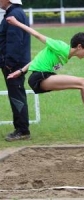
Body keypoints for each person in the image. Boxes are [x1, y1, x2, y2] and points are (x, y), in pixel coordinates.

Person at [6, 16, 84, 131]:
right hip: (39, 78)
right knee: (83, 82)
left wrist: (21, 71)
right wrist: (17, 23)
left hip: (43, 76)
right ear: (79, 46)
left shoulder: (66, 55)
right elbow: (37, 35)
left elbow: (38, 58)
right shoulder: (60, 47)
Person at [0, 0, 31, 142]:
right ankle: (21, 128)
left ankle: (22, 130)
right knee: (17, 95)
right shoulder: (16, 13)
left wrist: (9, 64)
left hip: (14, 66)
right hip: (16, 64)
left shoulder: (14, 14)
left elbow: (14, 42)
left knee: (16, 97)